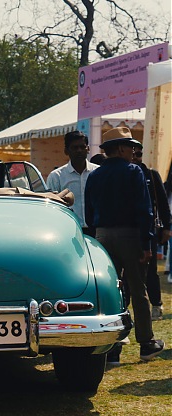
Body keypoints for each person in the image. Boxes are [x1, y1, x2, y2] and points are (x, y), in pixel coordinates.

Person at [84, 126, 165, 362]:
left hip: (102, 236)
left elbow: (89, 212)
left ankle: (112, 348)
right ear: (120, 148)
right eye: (131, 147)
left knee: (112, 292)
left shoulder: (95, 175)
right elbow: (144, 210)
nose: (134, 151)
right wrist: (146, 243)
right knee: (139, 291)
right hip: (130, 236)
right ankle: (146, 343)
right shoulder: (133, 171)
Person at [132, 149, 171, 321]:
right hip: (128, 230)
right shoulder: (126, 174)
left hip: (150, 231)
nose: (136, 157)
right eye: (134, 154)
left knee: (151, 271)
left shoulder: (151, 175)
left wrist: (167, 227)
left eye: (139, 154)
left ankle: (156, 305)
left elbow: (162, 203)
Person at [46, 131, 99, 236]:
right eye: (74, 148)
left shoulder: (98, 172)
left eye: (82, 147)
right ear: (66, 151)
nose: (79, 151)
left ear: (88, 149)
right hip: (69, 231)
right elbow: (51, 208)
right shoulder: (56, 176)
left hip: (96, 231)